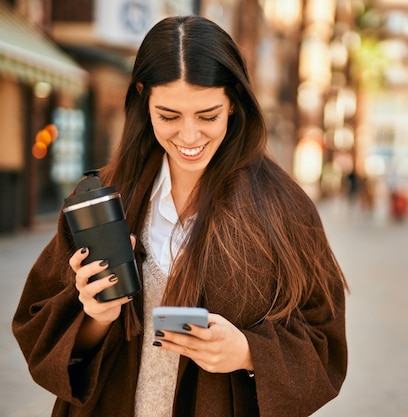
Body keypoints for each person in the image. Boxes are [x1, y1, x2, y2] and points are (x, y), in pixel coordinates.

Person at [12, 15, 348, 417]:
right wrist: (96, 316)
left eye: (208, 116)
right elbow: (37, 323)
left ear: (234, 102)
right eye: (169, 116)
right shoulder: (103, 198)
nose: (189, 138)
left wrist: (247, 353)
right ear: (142, 98)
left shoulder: (284, 207)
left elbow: (324, 340)